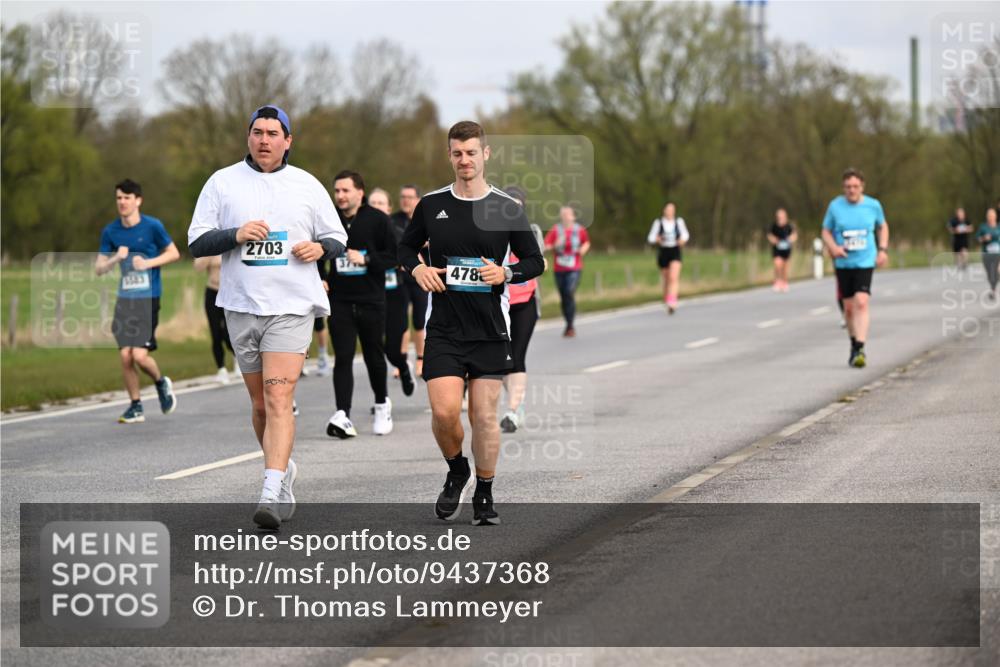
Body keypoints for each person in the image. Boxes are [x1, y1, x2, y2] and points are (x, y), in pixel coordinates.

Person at [187, 104, 347, 529]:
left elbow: (337, 238)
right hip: (241, 306)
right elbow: (197, 242)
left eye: (273, 133)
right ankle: (283, 468)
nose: (264, 140)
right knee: (259, 404)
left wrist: (320, 248)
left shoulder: (307, 185)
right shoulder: (222, 182)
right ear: (248, 136)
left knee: (278, 398)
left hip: (291, 307)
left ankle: (270, 491)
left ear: (287, 141)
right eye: (257, 132)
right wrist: (236, 234)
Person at [398, 120, 544, 526]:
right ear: (450, 155)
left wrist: (506, 273)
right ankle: (457, 469)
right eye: (458, 153)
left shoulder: (506, 207)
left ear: (486, 154)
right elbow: (405, 247)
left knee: (483, 416)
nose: (465, 159)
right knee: (445, 412)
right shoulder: (431, 205)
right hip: (444, 327)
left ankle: (484, 491)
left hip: (489, 329)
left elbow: (536, 261)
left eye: (472, 152)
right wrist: (417, 269)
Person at [321, 170, 412, 440]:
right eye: (337, 191)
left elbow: (395, 256)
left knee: (374, 355)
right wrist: (321, 277)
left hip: (371, 299)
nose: (340, 195)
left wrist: (367, 260)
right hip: (339, 299)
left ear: (360, 193)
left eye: (345, 190)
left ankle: (382, 405)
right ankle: (342, 414)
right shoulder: (329, 218)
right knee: (343, 357)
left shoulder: (378, 220)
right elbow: (317, 252)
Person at [95, 179, 180, 424]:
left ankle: (160, 382)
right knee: (125, 356)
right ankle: (135, 406)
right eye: (119, 198)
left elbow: (174, 253)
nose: (122, 202)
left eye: (127, 198)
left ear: (138, 201)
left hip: (148, 297)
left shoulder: (153, 226)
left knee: (139, 357)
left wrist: (148, 263)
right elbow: (99, 268)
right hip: (125, 299)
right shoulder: (110, 231)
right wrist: (115, 259)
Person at [821, 167, 889, 369]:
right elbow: (825, 231)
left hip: (865, 261)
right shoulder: (835, 206)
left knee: (862, 301)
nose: (851, 190)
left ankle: (860, 347)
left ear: (862, 186)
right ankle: (853, 344)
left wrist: (882, 249)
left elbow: (883, 226)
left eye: (855, 186)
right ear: (843, 188)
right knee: (849, 309)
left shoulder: (873, 205)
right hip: (843, 262)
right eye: (848, 187)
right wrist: (834, 248)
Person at [500, 186, 546, 433]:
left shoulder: (532, 231)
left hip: (525, 301)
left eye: (517, 206)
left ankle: (513, 410)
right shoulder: (490, 231)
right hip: (499, 302)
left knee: (517, 356)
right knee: (501, 360)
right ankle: (517, 401)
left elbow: (540, 260)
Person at [391, 185, 428, 376]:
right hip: (399, 277)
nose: (405, 200)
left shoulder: (426, 219)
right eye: (403, 196)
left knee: (419, 321)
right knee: (401, 321)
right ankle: (401, 361)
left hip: (421, 278)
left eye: (410, 197)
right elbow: (392, 246)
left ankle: (421, 359)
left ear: (418, 200)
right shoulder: (392, 221)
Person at [544, 206, 590, 336]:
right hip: (559, 268)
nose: (565, 217)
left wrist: (583, 250)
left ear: (573, 216)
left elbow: (586, 242)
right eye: (563, 214)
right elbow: (545, 246)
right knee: (564, 296)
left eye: (568, 214)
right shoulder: (555, 230)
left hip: (574, 267)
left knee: (569, 291)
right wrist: (555, 245)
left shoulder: (579, 230)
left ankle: (570, 326)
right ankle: (568, 322)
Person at [193, 255, 234, 383]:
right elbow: (198, 268)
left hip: (231, 293)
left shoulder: (231, 246)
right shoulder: (211, 249)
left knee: (228, 333)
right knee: (215, 333)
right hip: (213, 292)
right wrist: (210, 253)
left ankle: (238, 358)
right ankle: (221, 369)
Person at [647, 202, 690, 314]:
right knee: (666, 279)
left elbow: (686, 235)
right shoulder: (658, 223)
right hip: (663, 251)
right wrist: (656, 239)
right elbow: (650, 237)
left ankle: (672, 302)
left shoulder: (679, 222)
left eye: (672, 210)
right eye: (668, 210)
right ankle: (667, 299)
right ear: (664, 211)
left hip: (675, 250)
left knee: (673, 277)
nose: (670, 212)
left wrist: (682, 240)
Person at [766, 208, 797, 292]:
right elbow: (769, 235)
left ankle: (784, 282)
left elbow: (794, 235)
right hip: (777, 249)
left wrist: (791, 239)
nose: (780, 218)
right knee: (777, 264)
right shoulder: (774, 226)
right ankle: (777, 282)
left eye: (782, 216)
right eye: (779, 216)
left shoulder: (789, 226)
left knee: (785, 267)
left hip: (786, 249)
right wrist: (773, 240)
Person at [977, 207, 1000, 300]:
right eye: (989, 216)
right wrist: (984, 238)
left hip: (998, 254)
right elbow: (978, 239)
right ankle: (993, 289)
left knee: (997, 270)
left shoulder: (999, 226)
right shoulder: (983, 227)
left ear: (995, 216)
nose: (991, 217)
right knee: (990, 274)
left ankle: (993, 291)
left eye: (992, 215)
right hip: (987, 254)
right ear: (987, 217)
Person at [948, 207, 973, 271]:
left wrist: (966, 229)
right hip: (956, 240)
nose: (960, 214)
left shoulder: (966, 220)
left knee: (965, 252)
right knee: (957, 256)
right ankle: (958, 265)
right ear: (957, 214)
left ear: (964, 214)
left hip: (964, 240)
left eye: (961, 213)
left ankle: (965, 264)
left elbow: (971, 228)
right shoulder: (954, 221)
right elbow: (950, 229)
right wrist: (956, 230)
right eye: (959, 213)